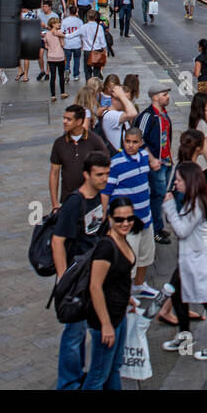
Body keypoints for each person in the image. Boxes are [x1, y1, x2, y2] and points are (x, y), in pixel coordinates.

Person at [52, 154, 109, 389]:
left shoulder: (97, 197)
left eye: (107, 174)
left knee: (86, 329)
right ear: (86, 175)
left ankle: (80, 373)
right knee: (74, 333)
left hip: (92, 272)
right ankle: (67, 383)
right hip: (77, 277)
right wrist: (64, 278)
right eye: (99, 174)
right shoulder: (75, 202)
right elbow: (58, 241)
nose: (104, 179)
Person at [161, 162, 207, 361]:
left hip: (202, 259)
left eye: (179, 180)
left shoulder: (198, 202)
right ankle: (184, 338)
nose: (176, 183)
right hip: (191, 258)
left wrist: (169, 207)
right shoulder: (203, 194)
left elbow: (182, 231)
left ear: (189, 181)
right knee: (178, 297)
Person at [82, 196, 137, 390]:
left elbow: (116, 278)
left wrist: (126, 297)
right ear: (110, 219)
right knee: (98, 376)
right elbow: (95, 287)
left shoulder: (121, 239)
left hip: (118, 315)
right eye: (120, 219)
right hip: (105, 321)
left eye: (129, 218)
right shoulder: (106, 247)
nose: (125, 223)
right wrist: (105, 325)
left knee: (114, 368)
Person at [104, 126, 158, 296]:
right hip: (127, 223)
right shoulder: (116, 163)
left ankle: (139, 286)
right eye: (127, 141)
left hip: (145, 218)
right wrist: (107, 219)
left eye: (135, 142)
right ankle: (125, 296)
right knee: (128, 262)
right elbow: (105, 193)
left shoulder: (143, 157)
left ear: (141, 143)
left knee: (145, 257)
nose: (130, 145)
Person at [133, 83, 175, 243]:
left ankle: (158, 227)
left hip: (165, 161)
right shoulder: (148, 116)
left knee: (160, 196)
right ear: (155, 97)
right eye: (164, 94)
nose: (167, 97)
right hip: (156, 164)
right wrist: (152, 159)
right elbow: (139, 138)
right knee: (157, 197)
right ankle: (155, 230)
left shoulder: (163, 113)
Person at [48, 106, 110, 213]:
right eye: (64, 118)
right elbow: (54, 173)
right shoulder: (59, 143)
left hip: (93, 200)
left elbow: (107, 169)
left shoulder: (95, 140)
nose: (64, 122)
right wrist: (55, 204)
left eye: (68, 119)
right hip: (68, 199)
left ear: (79, 121)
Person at [188, 92, 207, 171]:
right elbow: (205, 145)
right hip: (202, 162)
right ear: (203, 103)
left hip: (200, 160)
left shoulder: (195, 119)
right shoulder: (202, 124)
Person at [44, 16, 68, 101]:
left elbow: (46, 46)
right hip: (60, 56)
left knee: (52, 76)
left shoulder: (47, 34)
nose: (59, 24)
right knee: (61, 75)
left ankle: (53, 95)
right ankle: (62, 93)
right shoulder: (59, 32)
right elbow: (62, 44)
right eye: (58, 23)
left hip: (51, 57)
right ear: (53, 24)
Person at [80, 11, 108, 82]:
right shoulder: (99, 27)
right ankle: (95, 85)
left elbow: (73, 35)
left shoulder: (84, 27)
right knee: (97, 70)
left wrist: (64, 35)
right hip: (98, 51)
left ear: (87, 17)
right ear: (95, 17)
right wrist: (105, 51)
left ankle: (89, 86)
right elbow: (103, 42)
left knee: (87, 70)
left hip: (87, 51)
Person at [61, 5, 84, 81]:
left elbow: (62, 32)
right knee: (77, 59)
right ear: (76, 12)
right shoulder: (80, 21)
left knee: (67, 59)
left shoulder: (64, 21)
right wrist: (82, 43)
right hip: (77, 43)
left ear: (69, 12)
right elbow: (82, 33)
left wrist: (62, 41)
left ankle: (66, 70)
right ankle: (76, 75)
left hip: (67, 43)